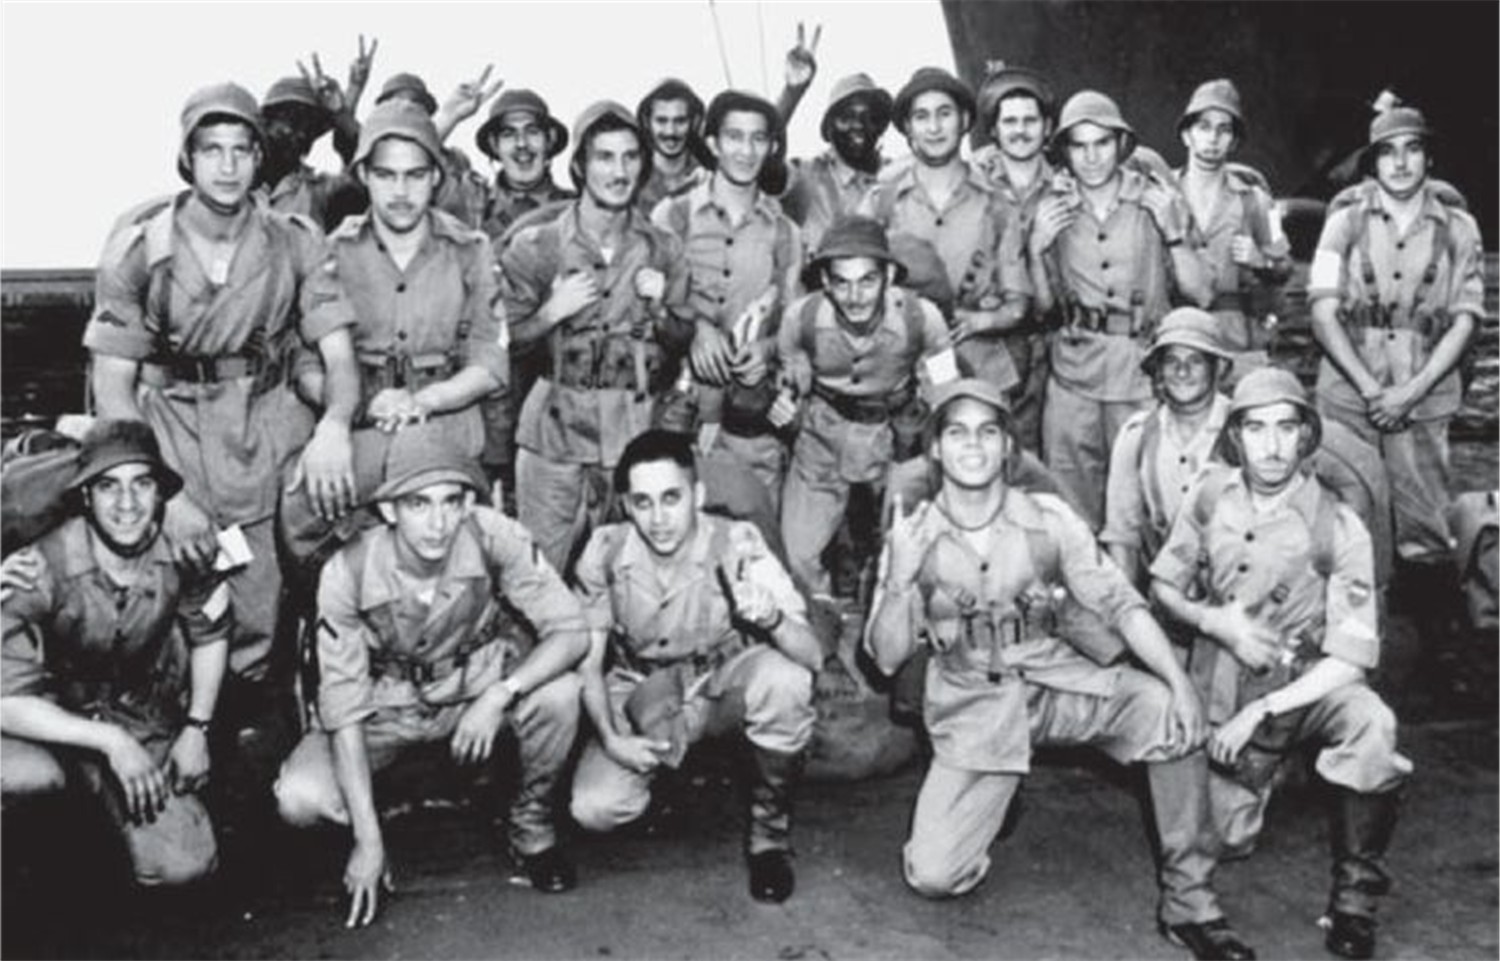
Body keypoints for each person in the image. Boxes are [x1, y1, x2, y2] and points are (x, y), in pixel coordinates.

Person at [863, 380, 1207, 922]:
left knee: (1166, 711)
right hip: (975, 709)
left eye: (987, 433)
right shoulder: (914, 534)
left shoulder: (1048, 518)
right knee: (933, 875)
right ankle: (994, 792)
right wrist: (901, 580)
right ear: (934, 447)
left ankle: (1192, 900)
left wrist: (1180, 685)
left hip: (1059, 687)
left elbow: (1121, 604)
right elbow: (884, 658)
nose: (973, 447)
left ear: (1006, 447)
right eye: (956, 433)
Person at [84, 82, 361, 733]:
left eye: (242, 149)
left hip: (262, 428)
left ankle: (252, 750)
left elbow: (341, 356)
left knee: (260, 613)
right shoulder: (140, 247)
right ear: (188, 158)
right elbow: (113, 384)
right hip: (169, 431)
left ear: (260, 158)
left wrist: (336, 425)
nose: (228, 165)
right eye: (212, 150)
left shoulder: (293, 240)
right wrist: (164, 490)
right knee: (167, 602)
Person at [273, 434, 589, 927]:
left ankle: (530, 825)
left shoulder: (492, 536)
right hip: (383, 711)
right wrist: (367, 843)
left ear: (467, 504)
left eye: (450, 502)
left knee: (560, 694)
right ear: (390, 510)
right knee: (300, 797)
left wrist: (500, 695)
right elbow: (344, 711)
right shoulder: (348, 570)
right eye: (418, 504)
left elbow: (571, 633)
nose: (437, 523)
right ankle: (374, 817)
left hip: (472, 695)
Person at [1151, 368, 1412, 960]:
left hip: (1307, 683)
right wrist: (1212, 621)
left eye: (1285, 429)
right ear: (1235, 436)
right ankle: (1277, 774)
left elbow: (1351, 657)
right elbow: (1163, 584)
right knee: (1222, 840)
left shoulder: (1338, 525)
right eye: (1255, 428)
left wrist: (1268, 708)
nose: (1271, 446)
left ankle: (1355, 900)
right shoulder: (1210, 494)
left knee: (1372, 726)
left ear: (1305, 436)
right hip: (1223, 677)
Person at [569, 430, 820, 903]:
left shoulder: (738, 543)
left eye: (671, 498)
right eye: (643, 502)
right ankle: (664, 777)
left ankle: (769, 836)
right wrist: (611, 738)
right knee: (595, 809)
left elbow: (811, 656)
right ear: (625, 504)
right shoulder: (604, 551)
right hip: (642, 688)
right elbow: (589, 661)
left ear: (697, 496)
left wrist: (770, 618)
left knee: (785, 682)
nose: (659, 518)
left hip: (720, 683)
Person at [1, 420, 228, 886]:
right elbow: (5, 700)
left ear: (161, 494)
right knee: (26, 778)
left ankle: (103, 823)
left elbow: (211, 633)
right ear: (85, 496)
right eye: (108, 487)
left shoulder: (181, 551)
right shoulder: (38, 567)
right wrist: (110, 743)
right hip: (43, 719)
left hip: (133, 712)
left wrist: (196, 728)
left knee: (185, 864)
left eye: (142, 484)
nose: (127, 505)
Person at [282, 99, 507, 568]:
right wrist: (351, 411)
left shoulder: (470, 252)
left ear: (436, 177)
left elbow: (489, 364)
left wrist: (423, 401)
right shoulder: (333, 253)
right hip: (362, 429)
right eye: (386, 175)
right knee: (301, 508)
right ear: (364, 175)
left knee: (454, 562)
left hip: (443, 428)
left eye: (415, 175)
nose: (401, 191)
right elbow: (304, 363)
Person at [495, 101, 694, 574]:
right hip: (554, 441)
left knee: (628, 581)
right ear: (581, 166)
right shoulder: (536, 245)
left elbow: (684, 338)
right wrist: (549, 314)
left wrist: (662, 310)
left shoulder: (662, 247)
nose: (618, 171)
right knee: (537, 580)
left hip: (633, 436)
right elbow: (501, 345)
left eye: (630, 157)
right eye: (605, 157)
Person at [1307, 100, 1483, 610]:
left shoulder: (1458, 228)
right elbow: (1323, 313)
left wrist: (1411, 390)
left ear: (1429, 158)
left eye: (1413, 149)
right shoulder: (1343, 223)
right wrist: (1370, 389)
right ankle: (1352, 631)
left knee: (1424, 520)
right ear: (1372, 163)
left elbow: (1466, 319)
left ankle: (1431, 654)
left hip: (1423, 393)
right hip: (1349, 389)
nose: (1401, 163)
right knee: (1347, 508)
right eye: (1387, 153)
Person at [1029, 90, 1213, 528]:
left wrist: (1173, 235)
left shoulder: (1158, 201)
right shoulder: (1053, 209)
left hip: (1140, 373)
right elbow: (1044, 307)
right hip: (1075, 377)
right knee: (1073, 508)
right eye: (1079, 144)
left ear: (1121, 145)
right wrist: (1036, 249)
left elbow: (1201, 293)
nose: (1091, 157)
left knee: (1149, 504)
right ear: (1065, 152)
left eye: (1103, 143)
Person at [776, 216, 955, 595]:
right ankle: (821, 637)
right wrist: (785, 399)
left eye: (867, 281)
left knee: (908, 552)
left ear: (889, 276)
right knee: (797, 557)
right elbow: (787, 371)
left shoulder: (922, 318)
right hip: (821, 441)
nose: (854, 297)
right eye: (841, 282)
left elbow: (947, 392)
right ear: (825, 281)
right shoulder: (801, 319)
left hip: (894, 442)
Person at [652, 89, 802, 507]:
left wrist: (766, 350)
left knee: (756, 543)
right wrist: (697, 329)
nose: (746, 151)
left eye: (758, 139)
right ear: (714, 143)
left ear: (771, 147)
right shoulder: (672, 217)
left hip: (749, 422)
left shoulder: (785, 232)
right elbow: (645, 306)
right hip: (678, 414)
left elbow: (794, 323)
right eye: (734, 137)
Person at [864, 67, 1030, 399]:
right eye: (922, 117)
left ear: (965, 120)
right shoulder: (881, 201)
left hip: (980, 372)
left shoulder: (998, 205)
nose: (935, 127)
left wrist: (977, 321)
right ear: (909, 128)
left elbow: (1018, 304)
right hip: (900, 378)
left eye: (945, 114)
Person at [1101, 307, 1234, 587]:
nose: (1182, 371)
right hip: (1165, 596)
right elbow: (1122, 538)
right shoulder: (1137, 436)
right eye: (1171, 361)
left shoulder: (1241, 430)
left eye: (1195, 361)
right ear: (1158, 370)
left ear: (1216, 368)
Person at [1175, 79, 1293, 383]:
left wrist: (1260, 261)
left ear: (1234, 141)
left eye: (1224, 130)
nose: (1212, 138)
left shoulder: (1258, 201)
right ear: (1187, 135)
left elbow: (1285, 265)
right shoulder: (1163, 195)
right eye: (1203, 127)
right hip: (1177, 332)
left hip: (1236, 342)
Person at [971, 63, 1060, 452]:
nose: (1020, 130)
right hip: (984, 343)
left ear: (1047, 127)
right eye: (1009, 121)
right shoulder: (969, 181)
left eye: (1030, 120)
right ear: (993, 129)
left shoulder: (1065, 189)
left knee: (1037, 459)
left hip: (1047, 345)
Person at [473, 88, 577, 239]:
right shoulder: (473, 206)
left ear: (550, 138)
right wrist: (451, 116)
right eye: (508, 134)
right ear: (494, 144)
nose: (521, 143)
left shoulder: (576, 209)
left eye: (532, 131)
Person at [635, 78, 709, 214]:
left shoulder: (711, 179)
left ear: (694, 122)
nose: (670, 131)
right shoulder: (633, 179)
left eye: (680, 121)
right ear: (647, 122)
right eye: (661, 121)